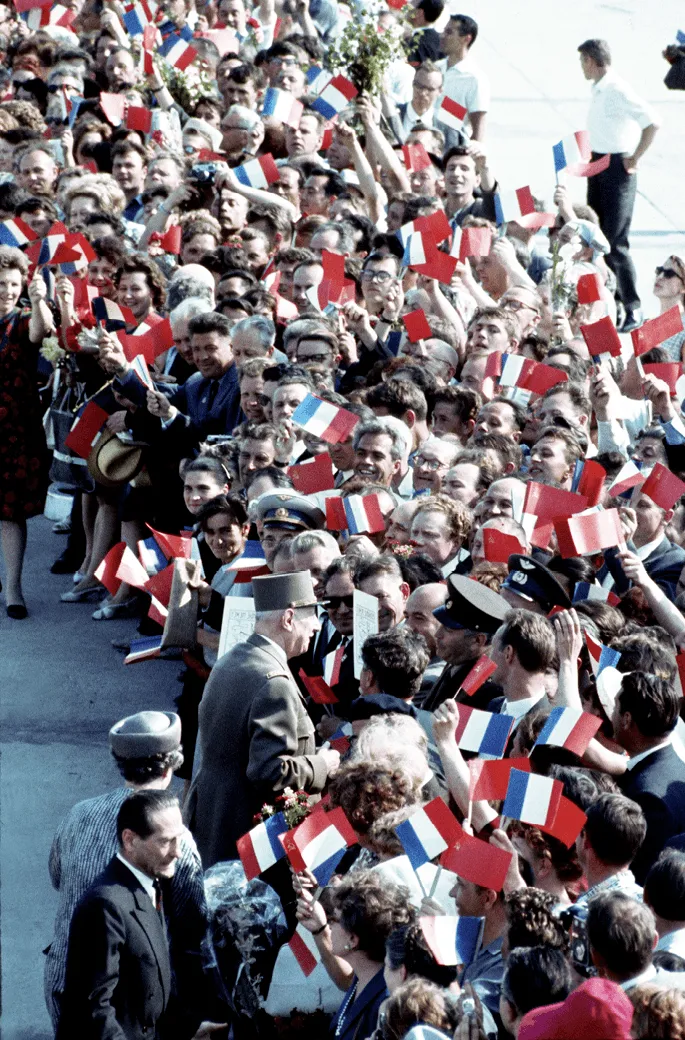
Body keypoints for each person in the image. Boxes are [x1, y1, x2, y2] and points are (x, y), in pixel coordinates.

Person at [45, 711, 206, 1030]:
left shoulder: (79, 814)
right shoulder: (178, 841)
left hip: (62, 983)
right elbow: (193, 923)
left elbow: (57, 876)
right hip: (126, 1010)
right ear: (171, 766)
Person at [185, 571, 340, 867]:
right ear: (289, 618)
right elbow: (270, 772)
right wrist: (323, 764)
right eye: (312, 617)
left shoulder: (232, 659)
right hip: (249, 840)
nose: (317, 627)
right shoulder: (274, 683)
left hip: (213, 822)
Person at [57, 789, 225, 1040]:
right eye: (165, 841)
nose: (177, 852)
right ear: (130, 840)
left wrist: (188, 1029)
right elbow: (94, 1012)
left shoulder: (149, 885)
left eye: (178, 839)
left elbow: (148, 988)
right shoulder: (105, 907)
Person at [578, 38, 660, 331]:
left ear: (590, 60)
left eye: (582, 62)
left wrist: (635, 157)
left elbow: (652, 122)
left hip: (617, 167)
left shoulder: (616, 89)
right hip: (598, 163)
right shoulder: (599, 89)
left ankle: (632, 306)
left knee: (614, 240)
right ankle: (607, 302)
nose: (581, 69)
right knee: (595, 235)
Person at [296, 870, 415, 1040]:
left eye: (333, 920)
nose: (329, 925)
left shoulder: (386, 1003)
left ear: (352, 939)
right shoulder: (363, 979)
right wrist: (319, 927)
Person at [0, 245, 53, 618]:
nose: (5, 290)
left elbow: (40, 331)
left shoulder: (21, 319)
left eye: (12, 284)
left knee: (9, 513)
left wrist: (38, 300)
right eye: (0, 283)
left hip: (14, 430)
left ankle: (14, 588)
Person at [612, 671, 685, 883]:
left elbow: (638, 877)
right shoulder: (674, 768)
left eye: (615, 706)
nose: (611, 714)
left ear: (627, 719)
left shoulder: (648, 797)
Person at [422, 572, 509, 711]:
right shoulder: (458, 659)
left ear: (477, 640)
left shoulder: (487, 685)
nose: (437, 635)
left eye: (448, 630)